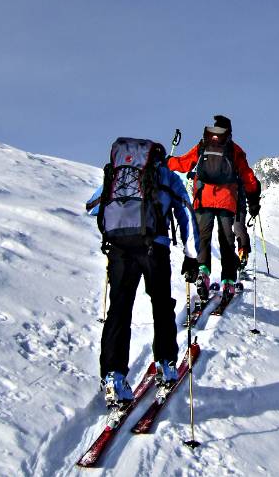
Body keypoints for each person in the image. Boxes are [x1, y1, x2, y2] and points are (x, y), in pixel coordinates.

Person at [86, 138, 200, 407]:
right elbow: (186, 213)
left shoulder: (118, 175)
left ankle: (114, 376)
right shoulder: (166, 177)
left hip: (120, 249)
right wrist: (191, 256)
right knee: (161, 304)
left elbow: (93, 206)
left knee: (119, 310)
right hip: (154, 248)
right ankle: (166, 363)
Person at [167, 115, 261, 303]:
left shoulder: (203, 145)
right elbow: (248, 177)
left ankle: (203, 272)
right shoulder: (234, 150)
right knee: (226, 241)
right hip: (227, 201)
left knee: (203, 238)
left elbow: (184, 163)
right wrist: (253, 199)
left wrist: (167, 161)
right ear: (229, 131)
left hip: (203, 199)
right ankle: (228, 281)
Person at [233, 182, 251, 274]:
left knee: (238, 229)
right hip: (234, 205)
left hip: (234, 205)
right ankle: (242, 254)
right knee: (238, 229)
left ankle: (243, 254)